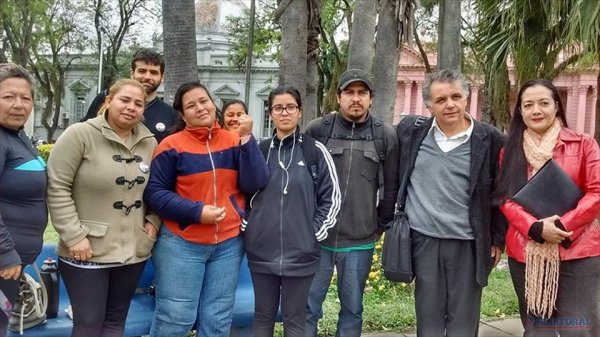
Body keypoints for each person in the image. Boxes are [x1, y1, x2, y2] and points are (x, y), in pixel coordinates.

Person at [143, 81, 269, 337]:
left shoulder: (234, 141)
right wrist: (196, 212)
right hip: (181, 244)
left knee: (218, 316)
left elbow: (256, 181)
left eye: (204, 101)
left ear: (213, 104)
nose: (200, 108)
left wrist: (246, 138)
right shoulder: (171, 145)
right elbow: (156, 193)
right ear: (182, 114)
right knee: (176, 316)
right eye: (191, 105)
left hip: (228, 244)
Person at [395, 69, 506, 337]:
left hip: (468, 243)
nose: (450, 104)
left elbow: (502, 194)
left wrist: (497, 239)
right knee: (428, 321)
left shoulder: (490, 140)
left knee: (463, 324)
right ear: (429, 104)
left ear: (467, 98)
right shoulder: (411, 132)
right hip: (424, 241)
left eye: (456, 96)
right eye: (441, 99)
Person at [47, 79, 160, 337]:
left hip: (133, 250)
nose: (131, 107)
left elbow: (158, 190)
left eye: (138, 103)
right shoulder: (79, 135)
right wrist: (74, 235)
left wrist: (153, 224)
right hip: (86, 251)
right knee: (88, 324)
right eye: (125, 100)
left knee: (115, 323)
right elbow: (57, 187)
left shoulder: (149, 142)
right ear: (109, 101)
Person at [494, 79, 600, 337]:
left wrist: (562, 226)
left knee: (579, 330)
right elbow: (505, 198)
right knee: (537, 330)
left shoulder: (583, 144)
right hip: (527, 252)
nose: (536, 110)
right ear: (520, 111)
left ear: (556, 106)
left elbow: (596, 191)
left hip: (579, 252)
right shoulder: (510, 151)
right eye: (528, 105)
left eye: (543, 103)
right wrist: (536, 228)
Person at [304, 69, 400, 337]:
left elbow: (390, 188)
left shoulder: (386, 135)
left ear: (370, 98)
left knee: (353, 309)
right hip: (317, 239)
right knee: (307, 307)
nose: (355, 99)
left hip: (360, 241)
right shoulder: (317, 130)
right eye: (349, 92)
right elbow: (303, 183)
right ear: (338, 97)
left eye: (362, 93)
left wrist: (378, 225)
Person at [243, 86, 340, 337]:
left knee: (295, 319)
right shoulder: (259, 151)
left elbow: (332, 198)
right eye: (278, 108)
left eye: (290, 107)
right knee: (263, 316)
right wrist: (249, 227)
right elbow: (239, 194)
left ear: (299, 112)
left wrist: (313, 234)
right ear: (270, 113)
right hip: (261, 252)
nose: (284, 113)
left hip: (302, 254)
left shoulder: (314, 151)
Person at [0, 63, 47, 337]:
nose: (19, 105)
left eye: (25, 97)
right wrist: (5, 253)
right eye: (8, 97)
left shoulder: (17, 137)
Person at [80, 49, 179, 143]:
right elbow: (84, 133)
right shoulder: (107, 97)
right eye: (142, 71)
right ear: (132, 74)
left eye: (153, 73)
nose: (147, 77)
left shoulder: (171, 114)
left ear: (162, 78)